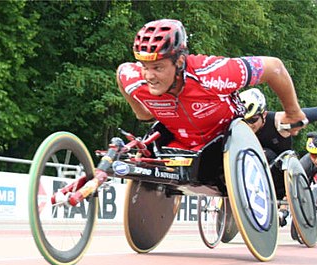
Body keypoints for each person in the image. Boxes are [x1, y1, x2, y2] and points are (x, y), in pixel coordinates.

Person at [116, 18, 306, 188]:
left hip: (226, 141)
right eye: (144, 66)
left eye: (157, 67)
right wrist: (141, 111)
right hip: (179, 147)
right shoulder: (132, 78)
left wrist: (293, 112)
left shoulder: (213, 73)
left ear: (180, 61)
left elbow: (274, 68)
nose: (149, 76)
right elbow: (122, 74)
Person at [239, 87, 317, 226]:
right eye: (244, 121)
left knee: (267, 154)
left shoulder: (282, 121)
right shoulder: (239, 127)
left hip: (282, 172)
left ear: (263, 114)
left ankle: (283, 210)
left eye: (253, 119)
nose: (249, 125)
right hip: (254, 174)